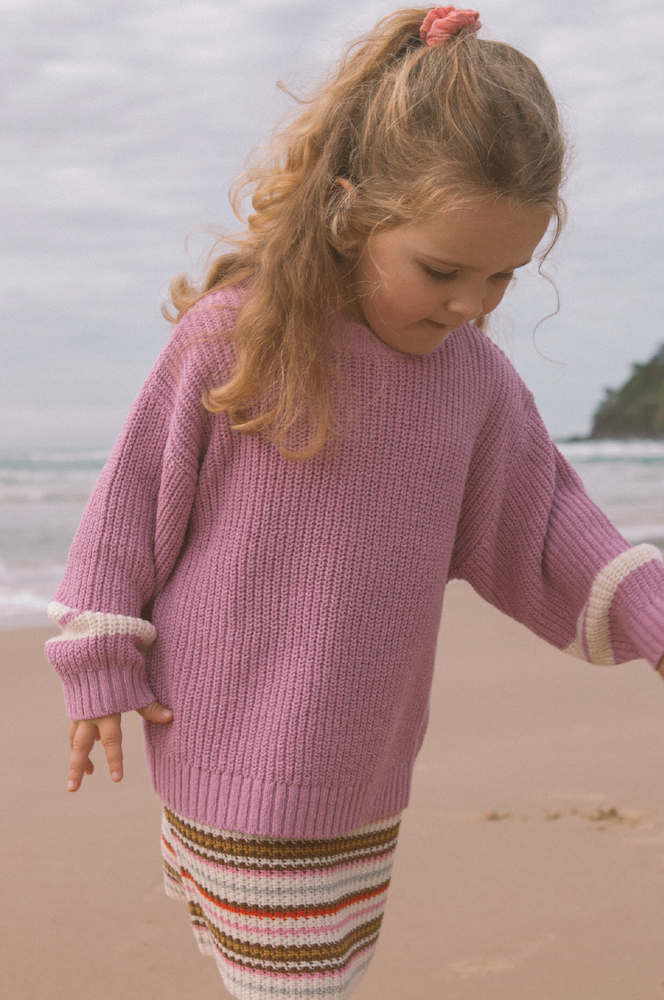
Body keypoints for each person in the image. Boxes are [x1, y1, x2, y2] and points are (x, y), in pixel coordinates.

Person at [45, 7, 664, 1000]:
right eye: (441, 270)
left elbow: (547, 524)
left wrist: (654, 615)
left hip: (357, 774)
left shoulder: (472, 380)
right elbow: (129, 511)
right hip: (230, 751)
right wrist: (96, 658)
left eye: (503, 275)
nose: (471, 303)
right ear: (351, 212)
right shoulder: (235, 340)